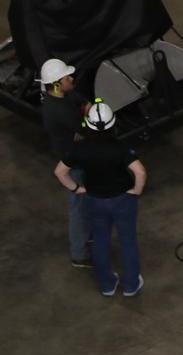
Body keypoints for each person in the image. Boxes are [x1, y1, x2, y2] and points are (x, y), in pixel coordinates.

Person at [53, 99, 146, 297]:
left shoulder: (79, 149)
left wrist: (76, 188)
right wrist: (136, 191)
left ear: (89, 124)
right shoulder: (120, 147)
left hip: (95, 199)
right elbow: (140, 172)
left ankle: (106, 285)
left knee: (100, 241)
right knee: (127, 241)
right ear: (113, 123)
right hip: (123, 200)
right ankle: (131, 285)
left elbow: (60, 172)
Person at [37, 58, 90, 267]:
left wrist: (85, 106)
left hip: (77, 153)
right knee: (77, 205)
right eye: (67, 77)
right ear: (57, 84)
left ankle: (87, 238)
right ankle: (79, 253)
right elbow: (85, 130)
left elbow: (80, 99)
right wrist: (85, 119)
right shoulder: (59, 110)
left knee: (85, 201)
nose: (71, 78)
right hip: (73, 161)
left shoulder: (62, 96)